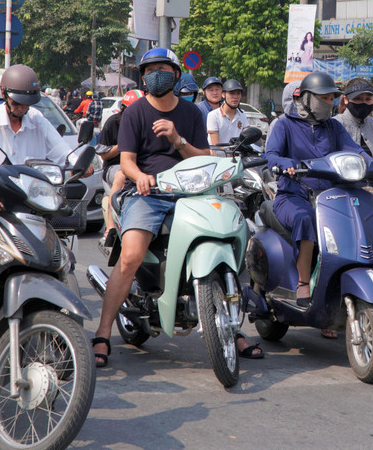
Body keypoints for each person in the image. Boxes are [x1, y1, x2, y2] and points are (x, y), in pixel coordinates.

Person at [91, 49, 260, 366]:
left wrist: (177, 139)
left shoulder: (191, 114)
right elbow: (126, 162)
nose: (156, 74)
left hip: (190, 192)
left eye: (162, 69)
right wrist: (141, 177)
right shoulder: (135, 113)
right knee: (130, 257)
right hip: (148, 193)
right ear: (143, 78)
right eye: (150, 69)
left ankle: (233, 328)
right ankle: (102, 334)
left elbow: (203, 157)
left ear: (176, 74)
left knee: (229, 241)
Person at [266, 72, 372, 339]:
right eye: (324, 98)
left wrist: (371, 162)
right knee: (304, 218)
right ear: (306, 98)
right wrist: (284, 164)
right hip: (293, 196)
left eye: (332, 98)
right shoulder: (284, 124)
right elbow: (271, 155)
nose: (330, 102)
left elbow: (354, 150)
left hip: (329, 196)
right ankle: (303, 283)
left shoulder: (334, 127)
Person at [0, 65, 76, 175]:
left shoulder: (36, 118)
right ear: (4, 93)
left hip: (34, 189)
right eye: (16, 102)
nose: (22, 108)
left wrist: (77, 163)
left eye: (27, 103)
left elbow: (60, 148)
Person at [95, 89, 143, 239]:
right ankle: (110, 226)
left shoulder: (149, 122)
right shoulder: (112, 123)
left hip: (142, 166)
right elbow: (104, 155)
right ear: (124, 109)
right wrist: (122, 145)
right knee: (121, 176)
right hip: (114, 167)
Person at [333, 78, 373, 158]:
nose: (363, 103)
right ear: (346, 100)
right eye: (358, 99)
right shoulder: (336, 124)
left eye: (368, 99)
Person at [207, 79, 249, 149]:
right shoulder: (213, 115)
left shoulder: (242, 114)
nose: (235, 97)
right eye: (232, 93)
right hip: (218, 157)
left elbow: (247, 137)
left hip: (237, 156)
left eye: (238, 93)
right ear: (223, 95)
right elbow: (216, 145)